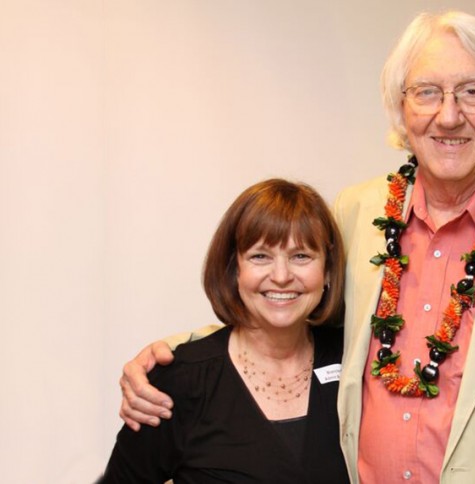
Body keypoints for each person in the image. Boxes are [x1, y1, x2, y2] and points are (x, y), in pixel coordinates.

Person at [118, 10, 475, 483]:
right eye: (427, 92)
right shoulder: (358, 212)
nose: (447, 115)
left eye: (471, 91)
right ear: (402, 110)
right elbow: (297, 304)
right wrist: (177, 354)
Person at [102, 179, 349, 483]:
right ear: (234, 269)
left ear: (327, 270)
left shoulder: (354, 363)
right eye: (260, 256)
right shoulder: (179, 382)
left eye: (301, 256)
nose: (282, 276)